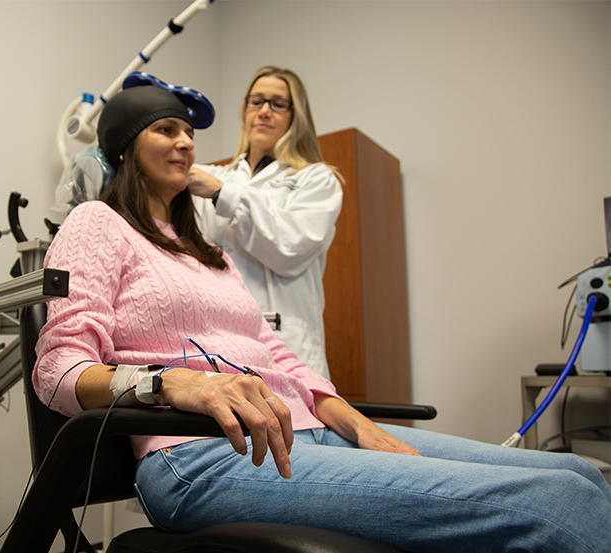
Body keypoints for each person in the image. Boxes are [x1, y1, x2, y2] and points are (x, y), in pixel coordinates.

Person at [34, 82, 611, 553]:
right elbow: (58, 371)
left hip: (309, 431)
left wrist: (352, 419)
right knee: (559, 505)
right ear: (125, 146)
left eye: (189, 132)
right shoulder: (96, 223)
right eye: (167, 129)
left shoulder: (207, 251)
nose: (185, 143)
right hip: (199, 454)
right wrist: (171, 382)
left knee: (580, 477)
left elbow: (272, 348)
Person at [187, 65, 342, 379]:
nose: (264, 111)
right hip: (220, 343)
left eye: (278, 103)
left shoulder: (316, 180)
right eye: (256, 101)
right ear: (245, 111)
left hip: (288, 347)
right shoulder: (218, 176)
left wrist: (221, 194)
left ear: (295, 115)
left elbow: (289, 248)